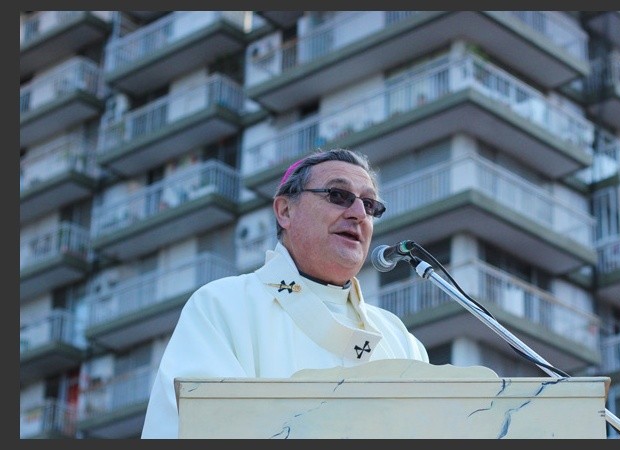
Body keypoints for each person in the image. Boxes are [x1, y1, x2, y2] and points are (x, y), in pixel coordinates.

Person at [141, 148, 429, 438]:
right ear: (285, 211)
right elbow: (198, 426)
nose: (357, 214)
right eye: (338, 195)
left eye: (369, 205)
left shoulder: (399, 339)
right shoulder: (223, 306)